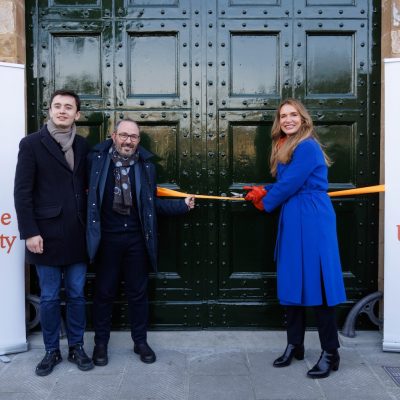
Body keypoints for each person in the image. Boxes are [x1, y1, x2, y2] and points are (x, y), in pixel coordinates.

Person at [245, 98, 346, 379]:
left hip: (312, 217)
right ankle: (295, 344)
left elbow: (291, 184)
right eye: (283, 116)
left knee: (319, 284)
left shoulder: (308, 146)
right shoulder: (284, 146)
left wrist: (265, 202)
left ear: (303, 118)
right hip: (294, 215)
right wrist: (262, 190)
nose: (288, 119)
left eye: (293, 115)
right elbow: (285, 183)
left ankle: (331, 353)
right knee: (292, 280)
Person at [86, 118, 195, 366]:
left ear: (138, 140)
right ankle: (100, 344)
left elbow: (149, 204)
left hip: (136, 239)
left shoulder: (145, 165)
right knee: (104, 293)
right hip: (107, 239)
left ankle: (140, 342)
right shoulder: (96, 160)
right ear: (113, 136)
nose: (128, 141)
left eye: (133, 137)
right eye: (123, 135)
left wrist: (180, 206)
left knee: (138, 293)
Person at [14, 89, 93, 376]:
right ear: (49, 110)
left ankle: (76, 347)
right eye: (57, 106)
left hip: (78, 234)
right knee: (48, 297)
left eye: (68, 107)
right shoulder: (32, 144)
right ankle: (51, 351)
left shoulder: (84, 146)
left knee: (76, 294)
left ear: (77, 114)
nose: (62, 111)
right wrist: (30, 232)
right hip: (44, 236)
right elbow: (22, 193)